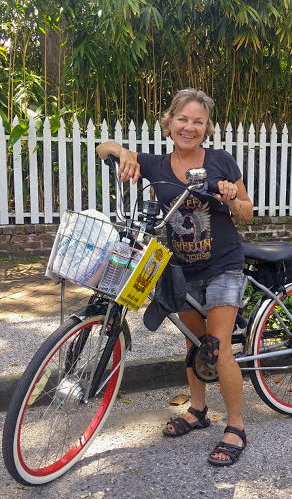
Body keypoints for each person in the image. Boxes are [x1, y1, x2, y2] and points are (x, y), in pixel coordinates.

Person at [96, 88, 253, 467]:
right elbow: (103, 148)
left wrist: (232, 196)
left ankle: (236, 426)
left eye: (198, 121)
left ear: (207, 127)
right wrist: (126, 154)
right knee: (193, 345)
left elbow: (247, 213)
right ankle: (197, 411)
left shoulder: (220, 161)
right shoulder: (157, 165)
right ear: (169, 122)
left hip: (223, 263)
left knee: (217, 348)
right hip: (182, 268)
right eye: (183, 119)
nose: (189, 127)